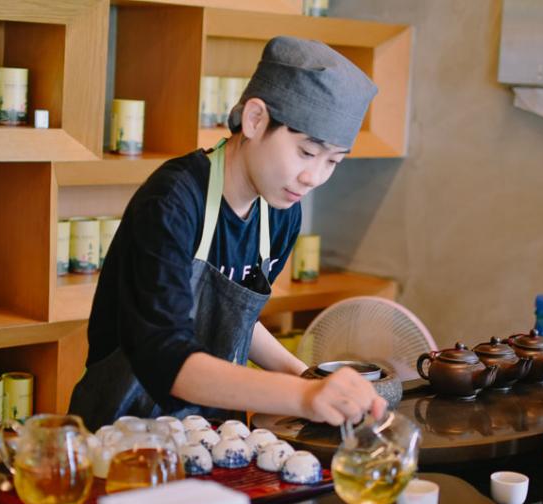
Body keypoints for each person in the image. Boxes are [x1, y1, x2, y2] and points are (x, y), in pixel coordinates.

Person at [69, 36, 386, 431]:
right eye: (307, 152)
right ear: (255, 120)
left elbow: (234, 321)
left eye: (333, 162)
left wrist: (309, 379)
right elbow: (165, 358)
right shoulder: (171, 203)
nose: (313, 177)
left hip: (217, 433)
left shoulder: (280, 213)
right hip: (124, 434)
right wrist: (303, 397)